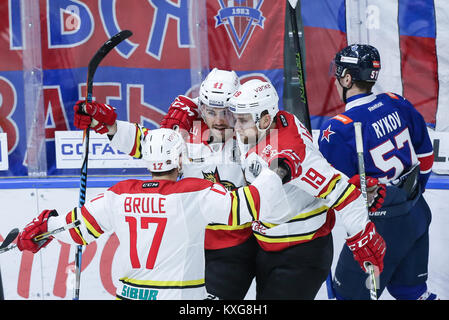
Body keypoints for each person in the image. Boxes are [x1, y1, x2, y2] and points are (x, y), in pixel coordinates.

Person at [16, 128, 291, 300]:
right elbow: (246, 207)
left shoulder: (119, 194)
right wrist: (275, 171)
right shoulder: (195, 191)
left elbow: (76, 229)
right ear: (180, 159)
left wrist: (42, 228)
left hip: (128, 295)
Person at [73, 68, 258, 300]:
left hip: (231, 250)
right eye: (211, 111)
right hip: (188, 247)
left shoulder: (251, 138)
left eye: (226, 112)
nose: (219, 121)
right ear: (201, 108)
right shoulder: (186, 133)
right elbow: (148, 144)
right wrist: (109, 125)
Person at [226, 78, 386, 299]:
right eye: (235, 119)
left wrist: (361, 234)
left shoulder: (290, 153)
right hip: (269, 246)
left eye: (242, 121)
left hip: (300, 254)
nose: (235, 127)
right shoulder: (271, 122)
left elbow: (343, 193)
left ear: (264, 120)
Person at [319, 43, 438, 300]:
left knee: (345, 297)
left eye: (340, 74)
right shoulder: (396, 101)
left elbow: (336, 193)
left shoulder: (337, 130)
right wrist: (411, 195)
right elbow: (426, 154)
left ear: (348, 78)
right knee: (413, 293)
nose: (338, 80)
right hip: (417, 214)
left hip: (376, 231)